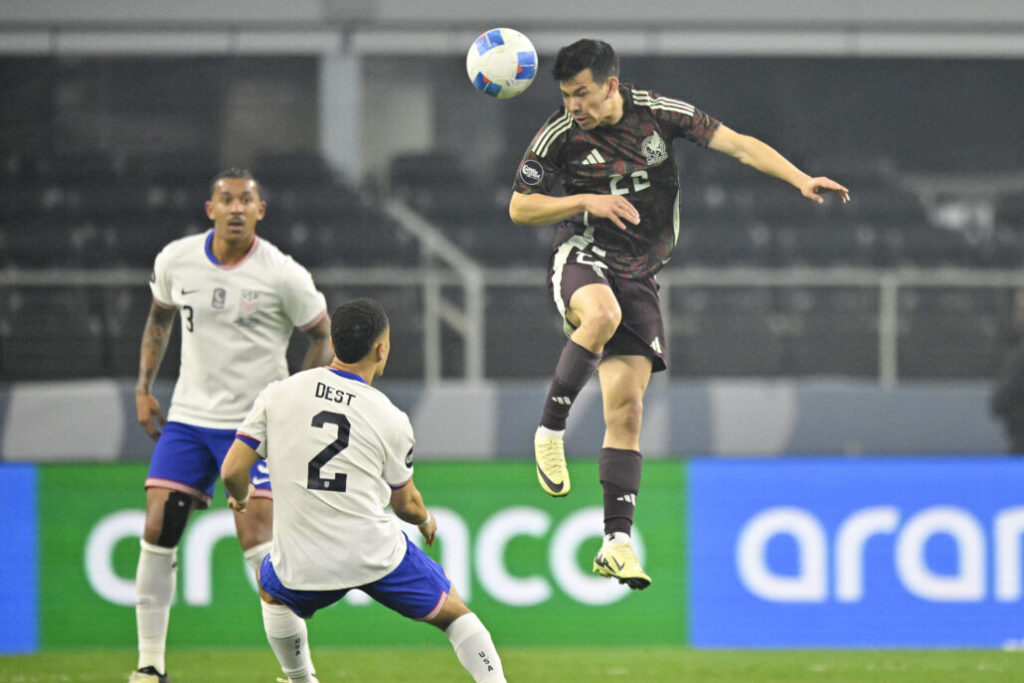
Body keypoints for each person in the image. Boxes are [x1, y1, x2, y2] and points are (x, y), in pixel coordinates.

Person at [509, 39, 850, 591]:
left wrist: (800, 179)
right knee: (600, 316)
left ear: (611, 85)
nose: (574, 105)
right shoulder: (558, 134)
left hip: (639, 273)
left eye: (583, 93)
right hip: (583, 254)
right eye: (567, 95)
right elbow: (520, 207)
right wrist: (584, 202)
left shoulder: (660, 114)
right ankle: (550, 430)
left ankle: (616, 543)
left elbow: (737, 145)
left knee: (628, 410)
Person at [221, 298, 506, 683]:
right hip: (373, 554)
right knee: (455, 615)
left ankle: (302, 679)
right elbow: (404, 503)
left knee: (271, 591)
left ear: (334, 344)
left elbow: (233, 470)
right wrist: (424, 519)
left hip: (304, 560)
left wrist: (240, 497)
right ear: (382, 348)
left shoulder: (279, 394)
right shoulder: (389, 416)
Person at [130, 168, 333, 683]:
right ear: (211, 209)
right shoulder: (176, 260)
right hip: (190, 420)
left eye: (247, 200)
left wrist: (294, 402)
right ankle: (150, 666)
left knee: (259, 548)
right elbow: (159, 319)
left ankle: (300, 676)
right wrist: (143, 387)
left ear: (261, 211)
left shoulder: (283, 275)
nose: (237, 208)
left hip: (256, 425)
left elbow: (323, 336)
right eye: (227, 200)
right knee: (157, 529)